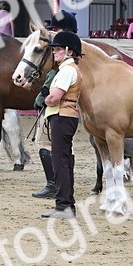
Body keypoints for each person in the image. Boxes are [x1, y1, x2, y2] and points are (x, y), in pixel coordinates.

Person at [32, 10, 79, 200]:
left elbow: (53, 93)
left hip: (60, 110)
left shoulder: (67, 67)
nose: (53, 34)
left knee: (49, 146)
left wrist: (44, 96)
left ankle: (55, 185)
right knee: (63, 151)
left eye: (57, 30)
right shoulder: (60, 63)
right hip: (61, 111)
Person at [39, 30, 82, 219]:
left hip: (62, 116)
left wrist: (46, 99)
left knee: (60, 162)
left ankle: (63, 205)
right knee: (64, 160)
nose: (54, 52)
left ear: (69, 51)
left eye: (58, 49)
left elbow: (54, 98)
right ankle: (66, 204)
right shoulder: (68, 69)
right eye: (54, 49)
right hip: (65, 116)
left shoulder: (67, 70)